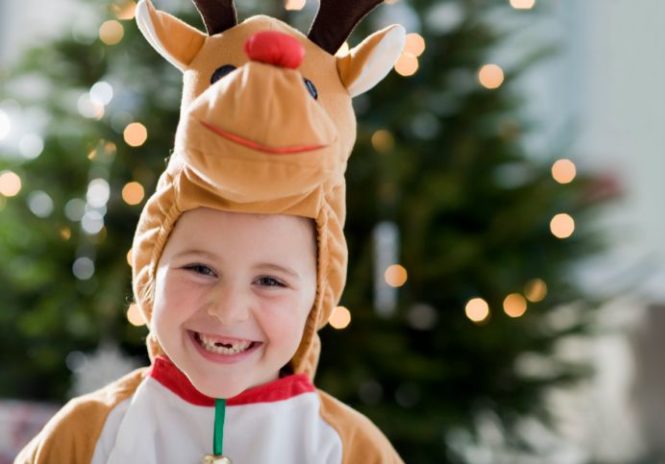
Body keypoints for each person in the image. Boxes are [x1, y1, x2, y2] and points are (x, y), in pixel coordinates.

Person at [16, 0, 407, 462]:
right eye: (200, 268)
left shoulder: (349, 450)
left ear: (318, 295)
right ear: (151, 268)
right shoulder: (85, 436)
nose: (228, 309)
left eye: (270, 281)